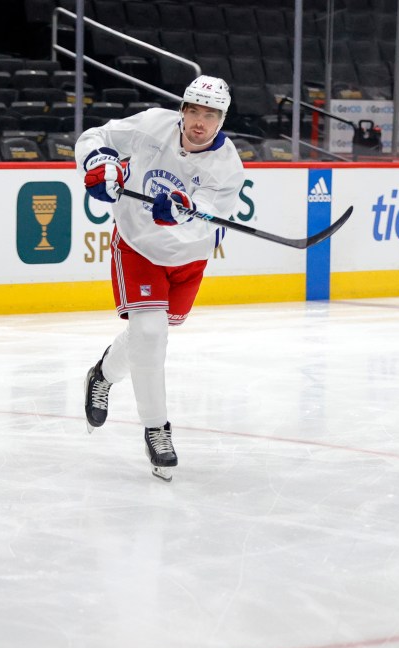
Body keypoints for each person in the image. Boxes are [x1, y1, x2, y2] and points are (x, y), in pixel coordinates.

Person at [75, 75, 245, 480]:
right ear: (182, 110)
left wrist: (184, 212)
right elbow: (95, 136)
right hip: (137, 244)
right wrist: (100, 162)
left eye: (211, 114)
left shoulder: (228, 167)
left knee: (146, 334)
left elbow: (210, 225)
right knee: (150, 335)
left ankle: (102, 375)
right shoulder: (153, 125)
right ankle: (156, 429)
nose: (200, 122)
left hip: (188, 259)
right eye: (194, 111)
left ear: (222, 119)